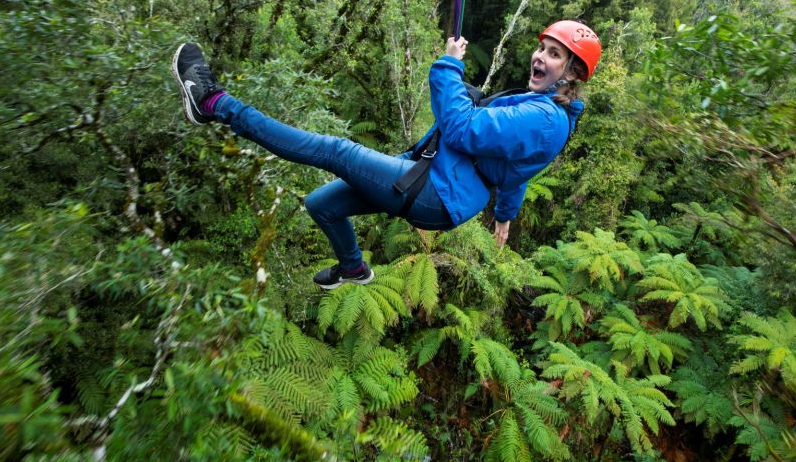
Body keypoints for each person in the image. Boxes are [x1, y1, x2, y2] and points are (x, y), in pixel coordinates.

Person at [171, 20, 601, 289]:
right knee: (322, 205)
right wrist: (505, 214)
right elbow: (517, 171)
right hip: (435, 178)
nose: (540, 56)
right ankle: (353, 268)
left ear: (574, 73)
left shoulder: (543, 119)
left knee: (335, 149)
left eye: (554, 53)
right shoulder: (548, 112)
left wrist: (449, 65)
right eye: (542, 47)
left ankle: (214, 103)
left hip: (438, 191)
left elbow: (461, 128)